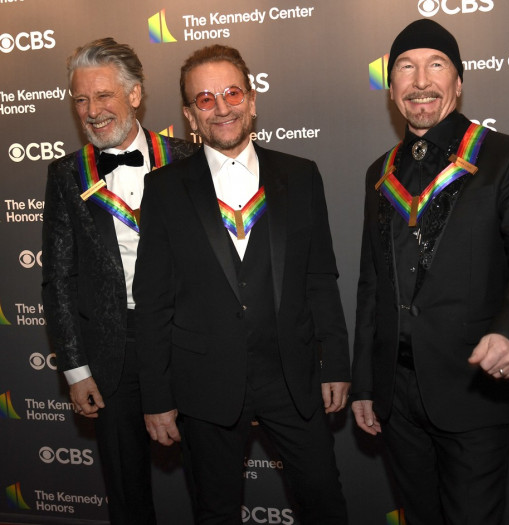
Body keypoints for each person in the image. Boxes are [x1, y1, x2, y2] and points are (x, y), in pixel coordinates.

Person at [132, 44, 350, 524]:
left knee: (324, 501)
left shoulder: (301, 175)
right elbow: (151, 304)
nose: (222, 107)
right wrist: (157, 397)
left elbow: (320, 277)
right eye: (205, 99)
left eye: (232, 92)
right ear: (190, 115)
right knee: (216, 511)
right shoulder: (164, 189)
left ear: (252, 100)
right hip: (204, 383)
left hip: (292, 377)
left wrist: (335, 361)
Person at [351, 19, 509, 525]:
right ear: (391, 87)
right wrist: (364, 382)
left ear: (459, 83)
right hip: (396, 395)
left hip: (473, 382)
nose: (420, 81)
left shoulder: (506, 156)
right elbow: (372, 282)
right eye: (406, 67)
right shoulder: (379, 171)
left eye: (436, 65)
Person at [41, 38, 198, 524]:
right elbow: (59, 278)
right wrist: (75, 368)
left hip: (189, 343)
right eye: (81, 100)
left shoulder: (189, 158)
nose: (92, 110)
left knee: (212, 483)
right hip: (112, 355)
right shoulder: (67, 174)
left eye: (104, 96)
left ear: (134, 96)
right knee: (127, 496)